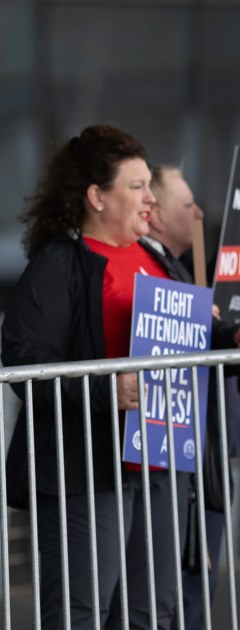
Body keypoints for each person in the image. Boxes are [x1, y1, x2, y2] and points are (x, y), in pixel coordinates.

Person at [1, 126, 240, 629]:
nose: (151, 197)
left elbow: (196, 332)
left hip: (162, 463)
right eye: (136, 187)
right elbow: (25, 365)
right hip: (88, 470)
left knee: (154, 611)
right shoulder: (58, 265)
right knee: (82, 611)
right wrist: (108, 390)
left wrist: (228, 338)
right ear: (96, 196)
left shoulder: (158, 258)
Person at [149, 164, 239, 626]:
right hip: (180, 465)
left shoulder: (180, 272)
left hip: (202, 461)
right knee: (176, 598)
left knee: (193, 593)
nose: (200, 213)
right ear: (157, 214)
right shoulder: (158, 275)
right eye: (187, 205)